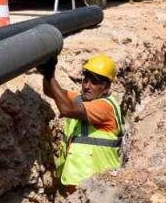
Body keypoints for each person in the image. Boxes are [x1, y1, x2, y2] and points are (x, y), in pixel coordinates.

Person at [41, 54, 124, 188]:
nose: (87, 86)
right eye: (86, 80)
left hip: (97, 189)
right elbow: (50, 91)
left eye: (94, 82)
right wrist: (47, 72)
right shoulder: (83, 100)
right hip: (77, 186)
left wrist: (50, 76)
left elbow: (66, 110)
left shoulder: (105, 107)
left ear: (106, 87)